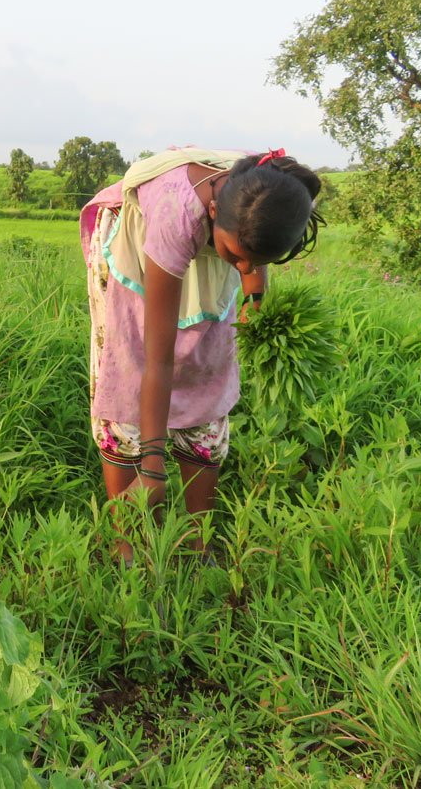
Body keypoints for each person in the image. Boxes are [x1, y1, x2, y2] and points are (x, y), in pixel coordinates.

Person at [79, 147, 322, 562]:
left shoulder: (275, 193)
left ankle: (198, 541)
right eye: (237, 258)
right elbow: (159, 358)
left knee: (211, 356)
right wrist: (153, 466)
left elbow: (251, 251)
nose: (246, 266)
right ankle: (129, 546)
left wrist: (255, 299)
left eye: (257, 261)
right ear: (213, 212)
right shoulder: (177, 214)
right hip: (135, 238)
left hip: (213, 233)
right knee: (131, 361)